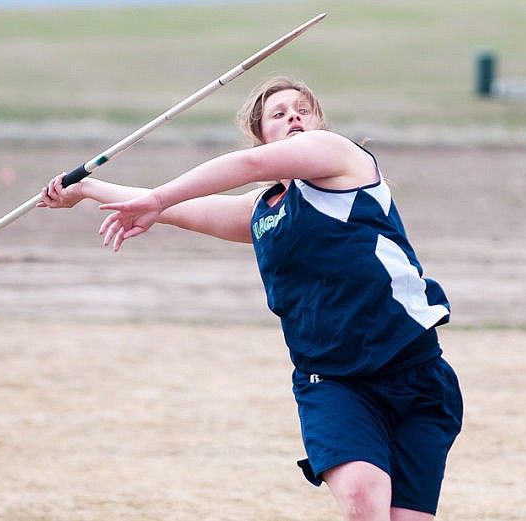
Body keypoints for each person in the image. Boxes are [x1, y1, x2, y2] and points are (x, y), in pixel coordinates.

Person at [38, 76, 463, 521]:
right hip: (334, 379)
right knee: (361, 499)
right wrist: (86, 190)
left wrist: (158, 197)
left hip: (416, 373)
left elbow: (244, 167)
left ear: (319, 122)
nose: (294, 117)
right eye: (278, 115)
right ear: (262, 134)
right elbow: (177, 210)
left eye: (303, 109)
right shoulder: (262, 211)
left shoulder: (340, 157)